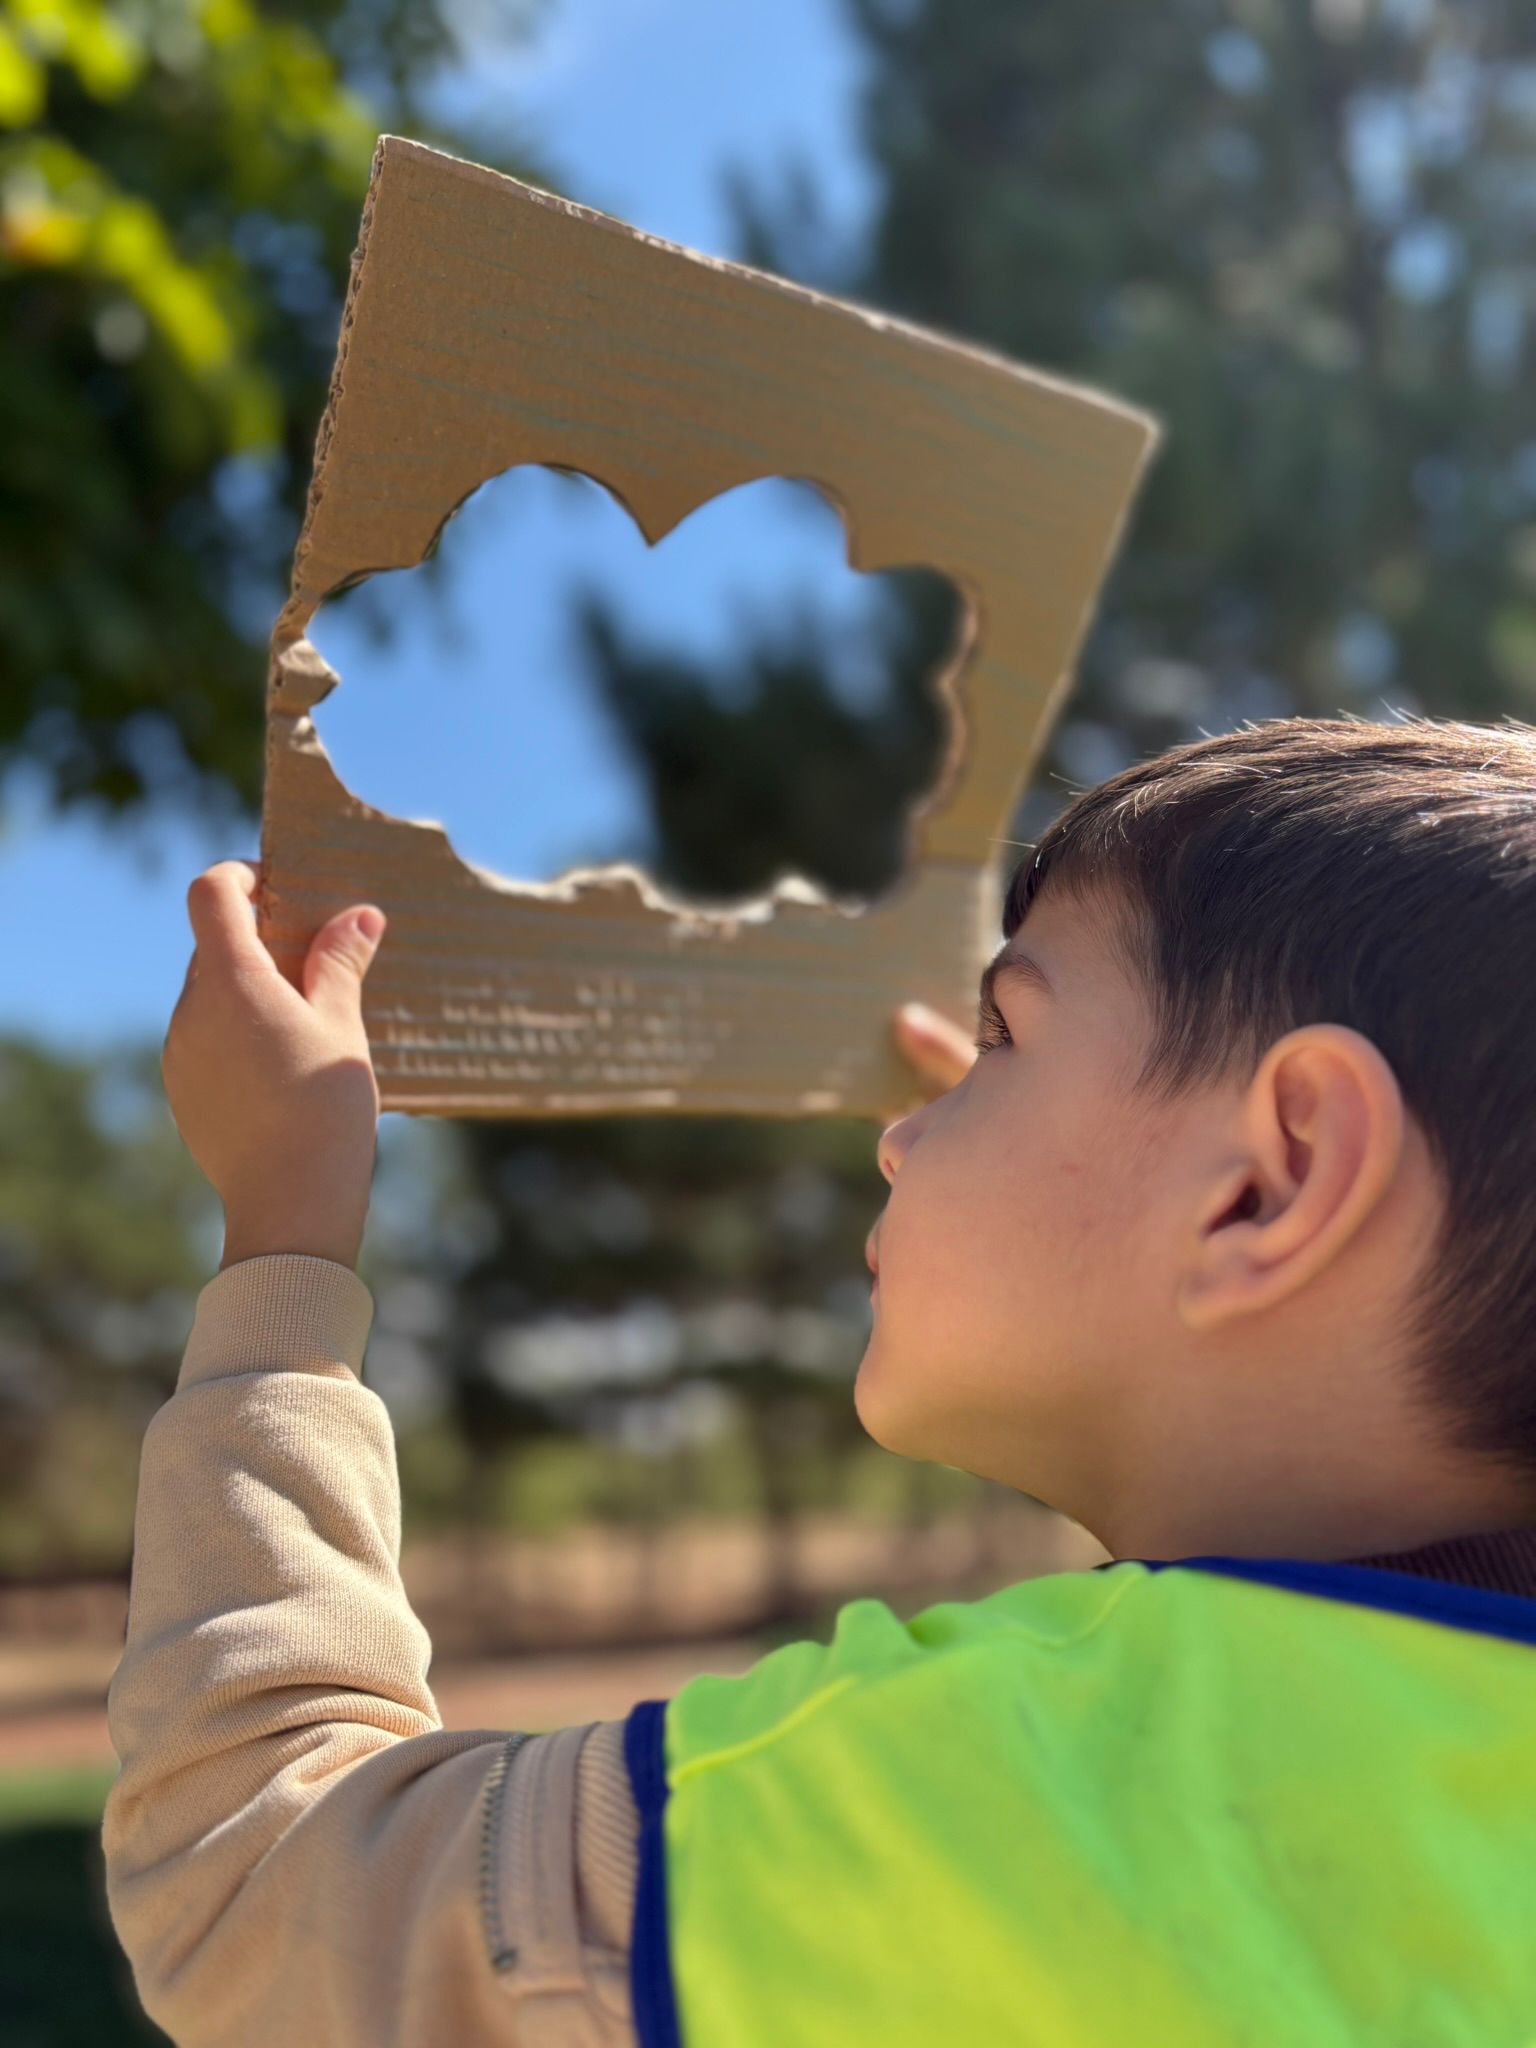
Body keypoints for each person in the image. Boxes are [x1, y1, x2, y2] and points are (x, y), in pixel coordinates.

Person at [102, 716, 1536, 2047]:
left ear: (1272, 1180)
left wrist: (285, 1240)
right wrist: (1039, 1203)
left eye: (1001, 1040)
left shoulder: (988, 1791)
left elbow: (252, 1891)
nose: (901, 1139)